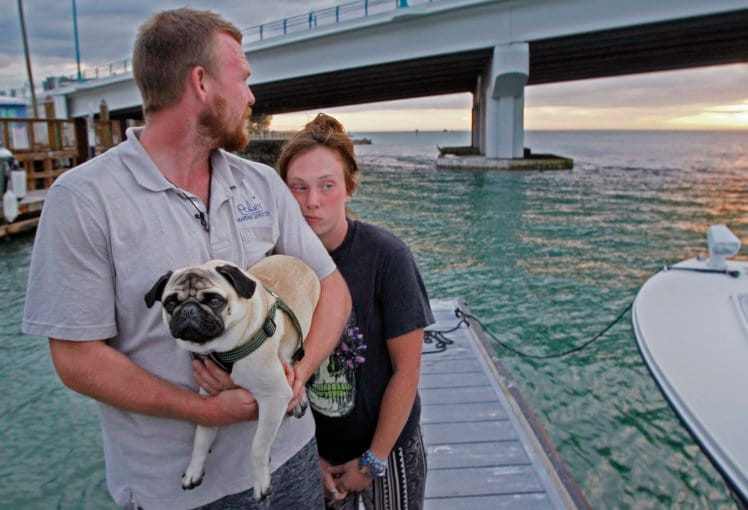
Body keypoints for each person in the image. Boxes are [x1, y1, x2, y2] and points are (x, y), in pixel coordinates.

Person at [22, 9, 350, 510]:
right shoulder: (83, 199)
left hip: (292, 455)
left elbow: (332, 289)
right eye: (242, 79)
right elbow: (76, 358)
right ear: (201, 82)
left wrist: (293, 375)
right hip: (176, 492)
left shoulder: (262, 183)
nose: (251, 97)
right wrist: (208, 411)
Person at [276, 114, 434, 510]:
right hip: (312, 454)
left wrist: (373, 460)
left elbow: (407, 371)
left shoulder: (387, 257)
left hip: (386, 448)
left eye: (327, 185)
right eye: (298, 187)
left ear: (349, 186)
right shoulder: (278, 266)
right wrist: (307, 458)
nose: (312, 201)